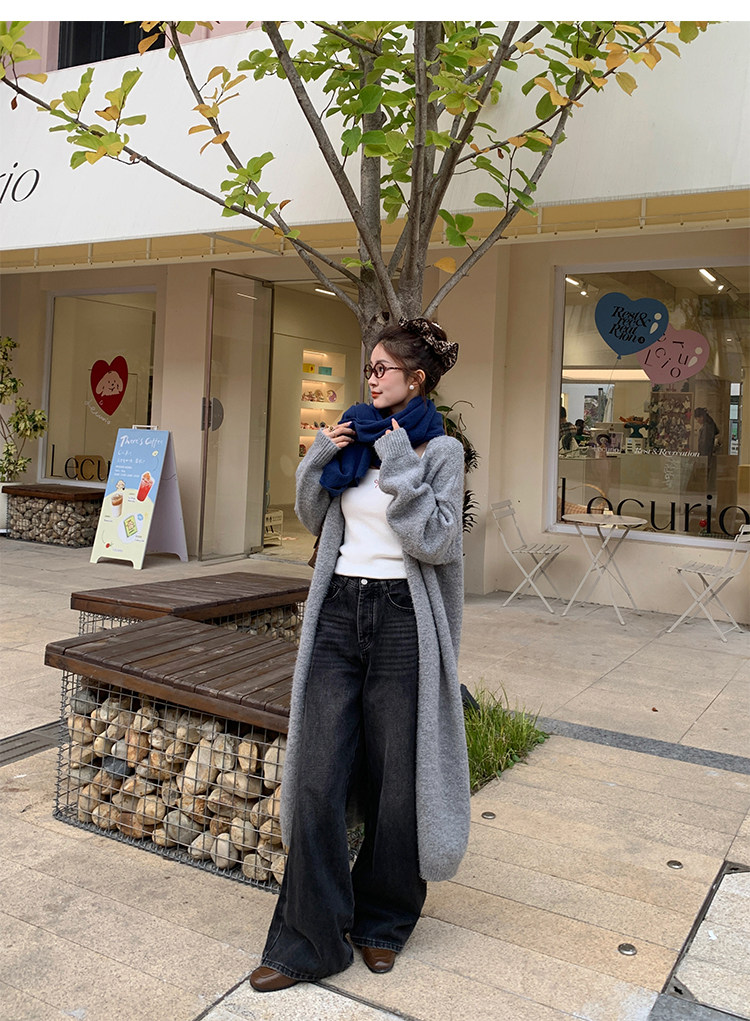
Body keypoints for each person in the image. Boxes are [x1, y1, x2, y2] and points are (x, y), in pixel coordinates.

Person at [250, 317, 470, 992]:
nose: (370, 378)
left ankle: (383, 921)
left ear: (416, 379)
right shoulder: (354, 432)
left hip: (403, 616)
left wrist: (399, 459)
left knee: (396, 778)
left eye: (381, 368)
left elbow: (437, 540)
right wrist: (320, 455)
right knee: (317, 774)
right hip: (340, 609)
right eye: (368, 367)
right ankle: (309, 941)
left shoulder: (440, 449)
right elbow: (313, 515)